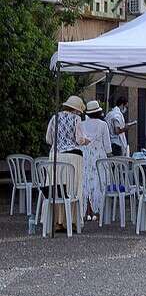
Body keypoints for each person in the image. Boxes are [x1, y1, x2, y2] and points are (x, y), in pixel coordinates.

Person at [45, 95, 90, 232]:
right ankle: (72, 221)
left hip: (55, 156)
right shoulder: (76, 119)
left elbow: (49, 139)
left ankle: (56, 221)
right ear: (76, 110)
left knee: (56, 188)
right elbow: (80, 139)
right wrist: (86, 141)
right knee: (72, 189)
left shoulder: (55, 118)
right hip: (72, 157)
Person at [81, 101, 112, 221]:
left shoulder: (82, 124)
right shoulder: (103, 125)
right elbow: (108, 146)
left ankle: (87, 211)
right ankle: (97, 212)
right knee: (99, 183)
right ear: (98, 111)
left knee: (86, 183)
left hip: (85, 157)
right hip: (99, 157)